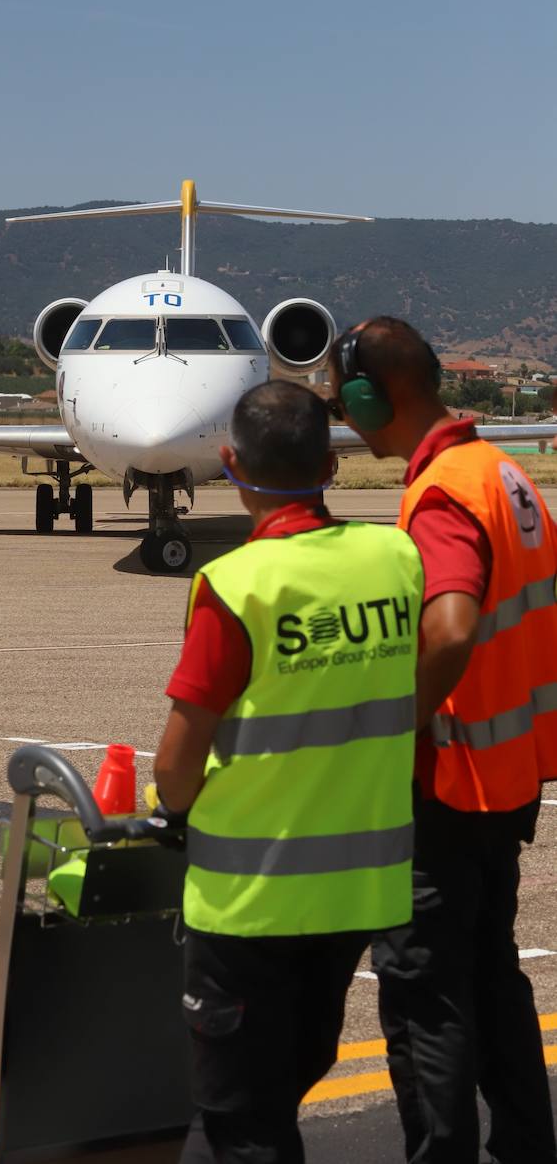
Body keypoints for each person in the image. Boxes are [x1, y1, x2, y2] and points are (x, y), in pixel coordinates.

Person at [154, 379, 425, 1164]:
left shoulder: (239, 586)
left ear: (231, 465)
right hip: (357, 897)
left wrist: (176, 804)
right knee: (289, 1081)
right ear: (330, 466)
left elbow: (176, 764)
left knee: (236, 1120)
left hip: (251, 902)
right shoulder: (394, 556)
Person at [327, 316, 557, 1164]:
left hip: (450, 779)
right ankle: (529, 1146)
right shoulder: (505, 471)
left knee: (425, 991)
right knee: (492, 975)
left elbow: (453, 629)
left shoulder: (444, 492)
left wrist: (397, 722)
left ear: (366, 396)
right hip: (508, 773)